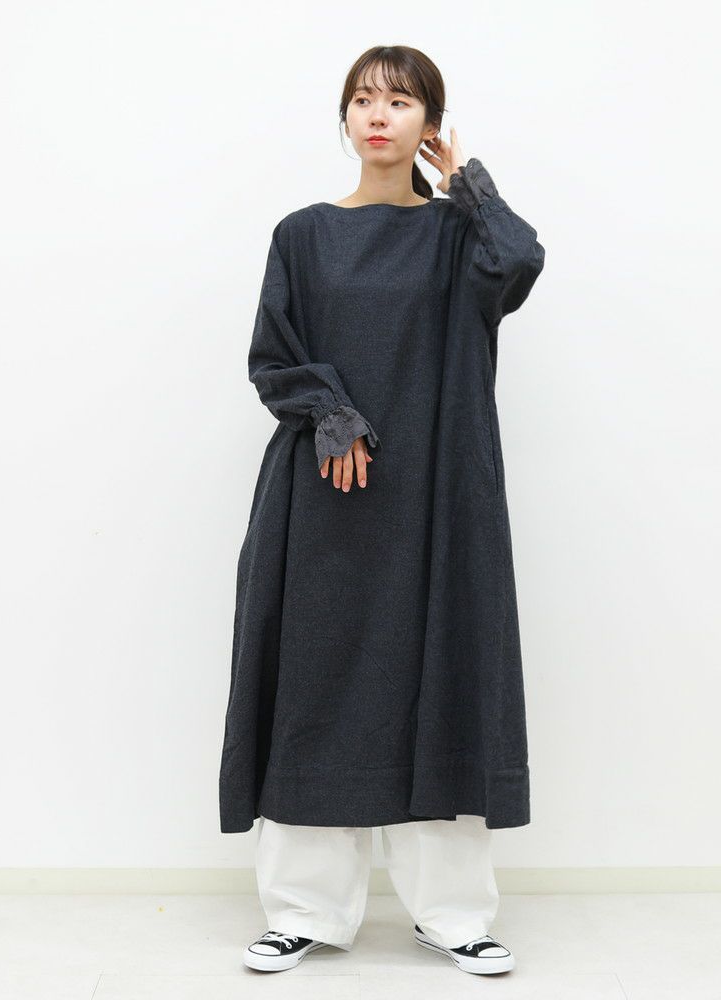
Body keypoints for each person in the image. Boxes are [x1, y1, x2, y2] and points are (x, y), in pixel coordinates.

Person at [220, 44, 545, 976]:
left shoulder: (457, 238)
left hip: (440, 499)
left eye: (401, 101)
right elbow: (274, 355)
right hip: (327, 499)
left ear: (429, 124)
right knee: (316, 685)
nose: (378, 114)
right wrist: (332, 411)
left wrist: (467, 182)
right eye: (363, 99)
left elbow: (519, 260)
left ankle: (453, 915)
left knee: (443, 680)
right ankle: (303, 910)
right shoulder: (303, 235)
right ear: (344, 118)